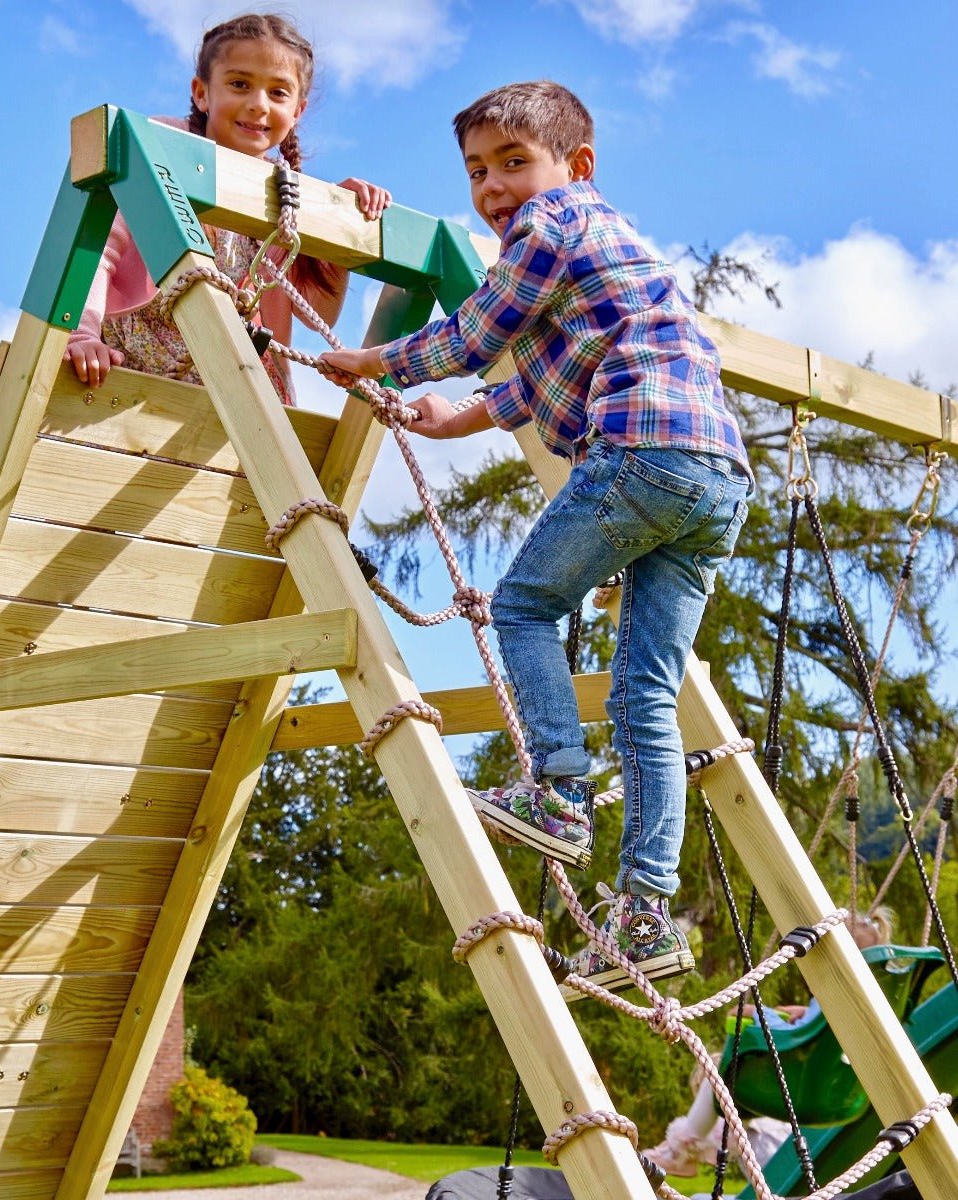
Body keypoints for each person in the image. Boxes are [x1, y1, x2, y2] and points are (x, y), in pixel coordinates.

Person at [321, 80, 753, 992]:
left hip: (641, 450)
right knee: (644, 700)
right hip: (715, 481)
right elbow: (537, 377)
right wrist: (458, 419)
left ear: (574, 167)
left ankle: (558, 792)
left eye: (514, 161)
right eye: (479, 171)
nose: (494, 188)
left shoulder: (551, 224)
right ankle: (645, 917)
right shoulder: (614, 256)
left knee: (521, 606)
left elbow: (478, 333)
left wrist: (373, 360)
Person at [66, 12, 391, 404]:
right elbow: (102, 248)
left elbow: (317, 312)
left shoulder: (288, 191)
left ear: (297, 111)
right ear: (202, 93)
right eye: (240, 84)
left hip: (231, 375)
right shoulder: (161, 145)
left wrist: (335, 221)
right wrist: (82, 332)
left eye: (278, 93)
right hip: (143, 357)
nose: (258, 105)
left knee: (261, 387)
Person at [643, 909, 895, 1176]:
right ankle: (690, 1147)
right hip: (842, 1091)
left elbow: (801, 1037)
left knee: (722, 1074)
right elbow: (821, 1026)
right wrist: (806, 1012)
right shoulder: (860, 996)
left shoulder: (836, 989)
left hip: (803, 1085)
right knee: (725, 1089)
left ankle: (680, 1151)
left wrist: (763, 1015)